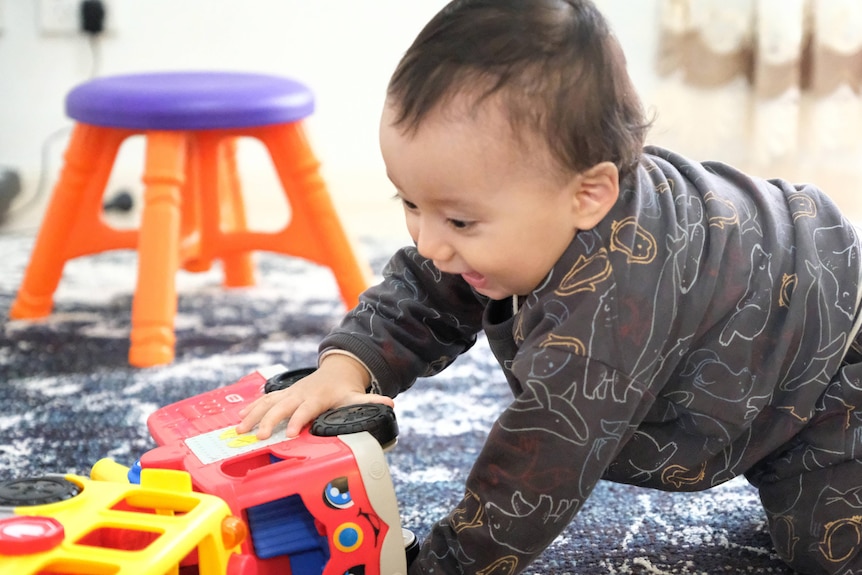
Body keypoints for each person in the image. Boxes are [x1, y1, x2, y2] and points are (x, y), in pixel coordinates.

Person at [237, 1, 862, 573]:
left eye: (456, 220)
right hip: (760, 330)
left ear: (588, 195)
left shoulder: (610, 317)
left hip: (833, 366)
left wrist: (443, 566)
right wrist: (348, 366)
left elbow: (535, 473)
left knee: (833, 553)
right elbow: (426, 287)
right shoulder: (516, 218)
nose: (429, 242)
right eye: (409, 204)